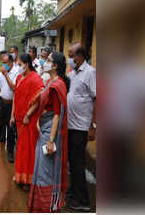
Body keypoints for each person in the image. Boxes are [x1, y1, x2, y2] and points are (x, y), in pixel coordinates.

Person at [28, 52, 69, 212]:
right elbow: (48, 108)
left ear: (55, 66)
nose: (44, 62)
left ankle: (47, 206)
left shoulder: (58, 85)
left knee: (46, 170)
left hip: (50, 134)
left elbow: (58, 115)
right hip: (44, 130)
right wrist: (39, 119)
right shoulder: (50, 82)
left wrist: (51, 140)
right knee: (39, 166)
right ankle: (38, 205)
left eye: (48, 60)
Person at [66, 44, 96, 211]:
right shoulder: (73, 73)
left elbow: (98, 98)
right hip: (70, 125)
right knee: (72, 161)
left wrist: (93, 126)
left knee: (78, 163)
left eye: (71, 55)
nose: (70, 58)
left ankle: (83, 201)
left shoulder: (90, 73)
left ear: (80, 56)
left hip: (81, 126)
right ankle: (74, 191)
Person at [10, 53, 44, 186]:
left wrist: (28, 115)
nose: (18, 67)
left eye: (19, 64)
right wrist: (12, 115)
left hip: (28, 120)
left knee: (29, 149)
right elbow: (16, 97)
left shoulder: (36, 79)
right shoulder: (19, 78)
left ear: (26, 64)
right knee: (21, 148)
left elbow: (38, 100)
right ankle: (20, 176)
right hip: (19, 119)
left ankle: (29, 178)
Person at [0, 53, 20, 163]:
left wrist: (6, 74)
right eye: (2, 63)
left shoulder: (17, 72)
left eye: (5, 63)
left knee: (10, 129)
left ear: (11, 62)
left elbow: (14, 88)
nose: (3, 65)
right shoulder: (2, 73)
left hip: (11, 105)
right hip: (2, 103)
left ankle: (10, 153)